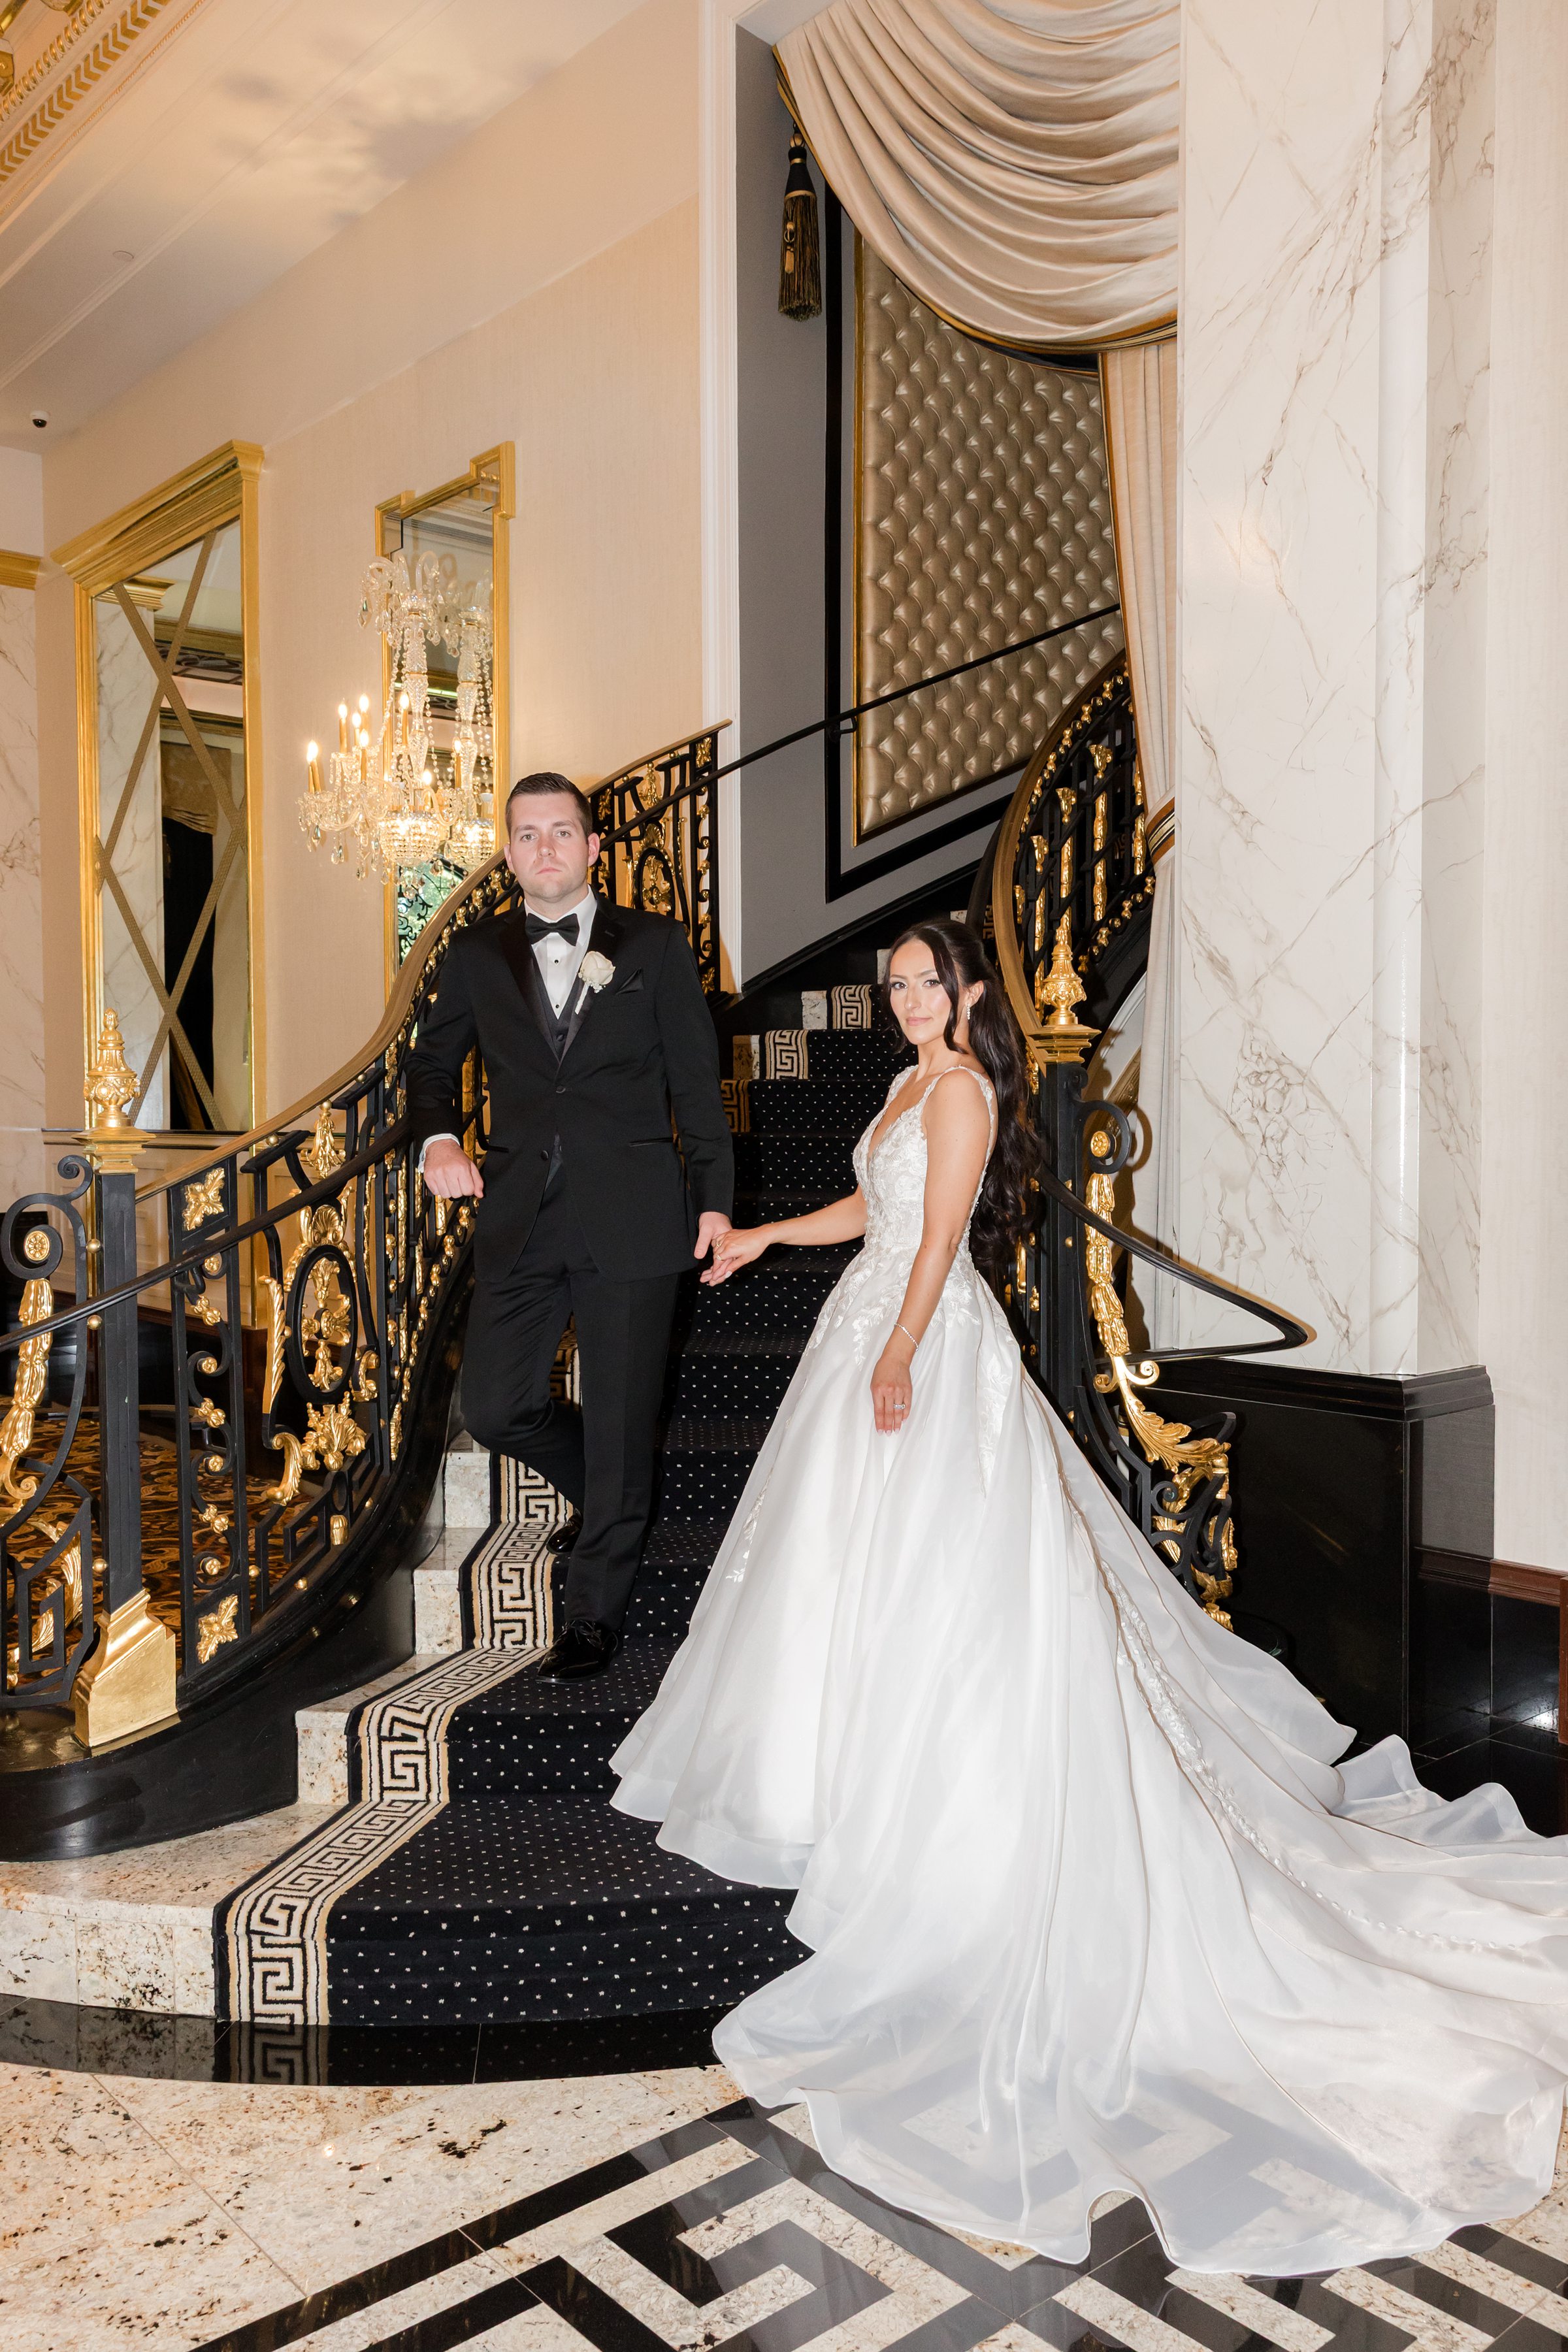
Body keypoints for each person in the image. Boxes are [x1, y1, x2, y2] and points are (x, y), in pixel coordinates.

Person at [612, 917, 1568, 2276]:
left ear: (966, 992)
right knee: (845, 1582)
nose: (908, 1001)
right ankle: (825, 1784)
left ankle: (945, 1814)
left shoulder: (963, 1088)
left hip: (924, 1350)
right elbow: (873, 1213)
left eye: (926, 982)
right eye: (894, 987)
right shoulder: (900, 1085)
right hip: (872, 1326)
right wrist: (771, 1233)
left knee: (956, 1596)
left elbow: (936, 1240)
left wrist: (894, 1358)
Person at [407, 771, 732, 1678]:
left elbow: (695, 1083)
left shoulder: (660, 945)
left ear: (595, 849)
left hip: (634, 1213)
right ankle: (607, 1486)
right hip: (519, 1213)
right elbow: (434, 1066)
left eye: (562, 832)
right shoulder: (476, 955)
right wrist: (438, 1138)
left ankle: (592, 1611)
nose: (544, 848)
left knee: (627, 1415)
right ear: (508, 854)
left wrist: (713, 1197)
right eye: (526, 835)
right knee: (496, 1404)